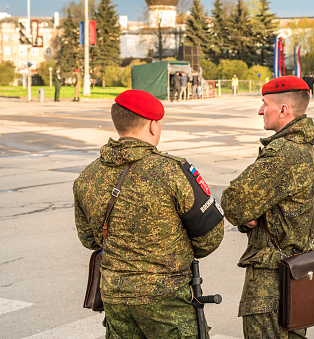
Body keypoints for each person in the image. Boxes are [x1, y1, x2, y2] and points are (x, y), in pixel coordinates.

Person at [73, 89, 224, 338]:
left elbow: (90, 240)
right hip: (168, 300)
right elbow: (209, 238)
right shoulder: (173, 171)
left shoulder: (87, 176)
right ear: (153, 126)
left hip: (115, 297)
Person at [221, 75, 314, 339]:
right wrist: (249, 217)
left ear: (283, 109)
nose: (259, 110)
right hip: (296, 275)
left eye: (264, 103)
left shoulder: (282, 153)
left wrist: (247, 216)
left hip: (271, 284)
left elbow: (233, 201)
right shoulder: (305, 147)